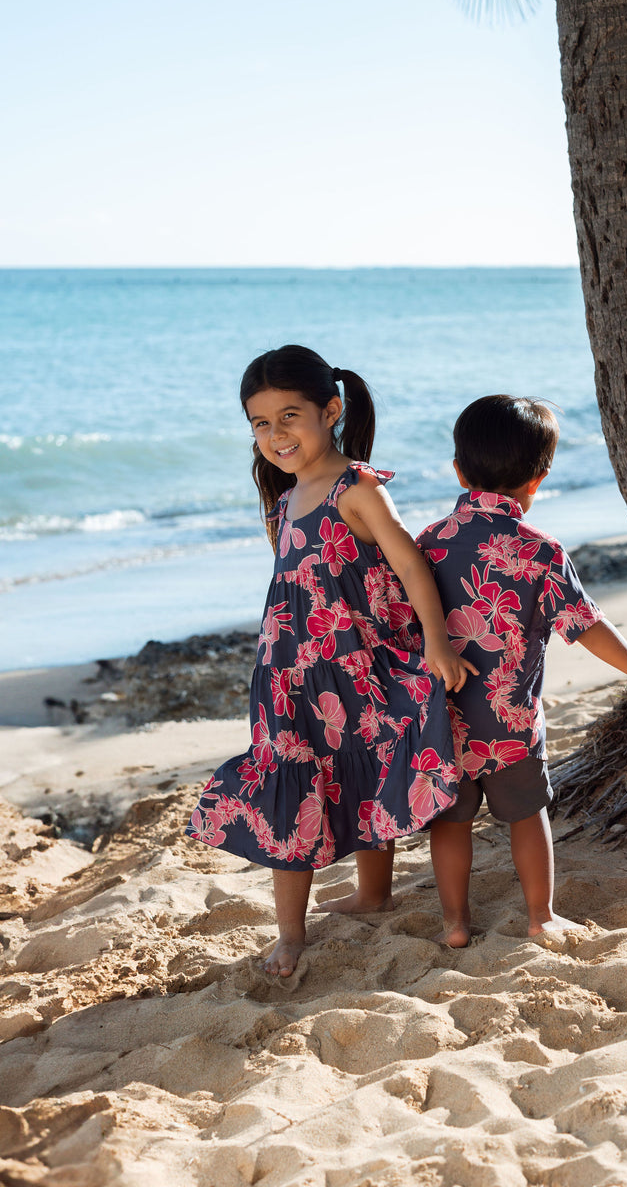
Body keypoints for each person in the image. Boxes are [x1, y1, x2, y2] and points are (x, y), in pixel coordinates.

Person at [186, 345, 474, 976]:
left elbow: (409, 564)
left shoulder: (357, 488)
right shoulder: (284, 499)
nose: (274, 434)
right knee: (289, 781)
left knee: (367, 770)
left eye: (289, 416)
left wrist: (436, 639)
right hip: (289, 676)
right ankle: (290, 933)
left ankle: (374, 895)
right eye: (260, 423)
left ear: (332, 409)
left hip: (357, 667)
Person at [413, 394, 627, 947]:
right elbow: (586, 625)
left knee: (449, 822)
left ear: (459, 470)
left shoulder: (427, 542)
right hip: (508, 724)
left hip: (441, 719)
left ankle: (455, 925)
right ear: (539, 479)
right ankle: (541, 917)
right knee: (529, 817)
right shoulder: (540, 551)